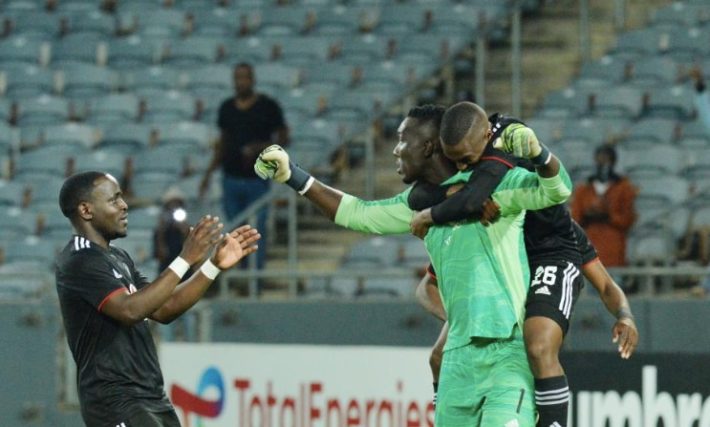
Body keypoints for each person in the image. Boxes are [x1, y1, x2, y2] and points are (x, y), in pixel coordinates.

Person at [255, 102, 573, 425]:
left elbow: (558, 188)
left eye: (401, 140)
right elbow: (356, 213)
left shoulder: (497, 187)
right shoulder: (414, 205)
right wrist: (293, 176)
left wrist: (539, 154)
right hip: (458, 360)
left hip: (507, 352)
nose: (395, 150)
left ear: (428, 146)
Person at [55, 171, 260, 426]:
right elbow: (129, 311)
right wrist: (185, 258)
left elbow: (164, 308)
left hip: (150, 397)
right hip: (114, 401)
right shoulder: (80, 260)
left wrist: (212, 266)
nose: (124, 206)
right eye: (114, 200)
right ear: (86, 210)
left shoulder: (118, 257)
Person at [417, 220, 638, 427]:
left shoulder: (558, 226)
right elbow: (426, 287)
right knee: (438, 356)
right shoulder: (482, 223)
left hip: (545, 275)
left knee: (539, 347)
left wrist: (625, 315)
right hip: (495, 303)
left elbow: (606, 285)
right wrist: (464, 318)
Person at [200, 62, 288, 270]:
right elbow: (223, 143)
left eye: (245, 77)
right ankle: (240, 276)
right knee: (234, 232)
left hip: (257, 180)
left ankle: (255, 278)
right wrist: (208, 173)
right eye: (237, 78)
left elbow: (283, 136)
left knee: (256, 232)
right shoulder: (227, 108)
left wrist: (261, 148)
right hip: (231, 178)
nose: (241, 82)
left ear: (253, 79)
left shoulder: (267, 106)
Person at [570, 144, 636, 267]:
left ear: (614, 161)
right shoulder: (584, 190)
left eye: (607, 159)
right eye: (600, 159)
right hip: (589, 248)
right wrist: (588, 216)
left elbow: (628, 219)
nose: (604, 163)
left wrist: (608, 216)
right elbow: (575, 220)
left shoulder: (623, 188)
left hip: (614, 248)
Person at [154, 186, 190, 274]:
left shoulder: (188, 229)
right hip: (166, 272)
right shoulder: (160, 231)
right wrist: (161, 231)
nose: (174, 209)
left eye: (177, 205)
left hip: (185, 272)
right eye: (171, 206)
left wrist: (184, 231)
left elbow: (191, 252)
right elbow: (160, 255)